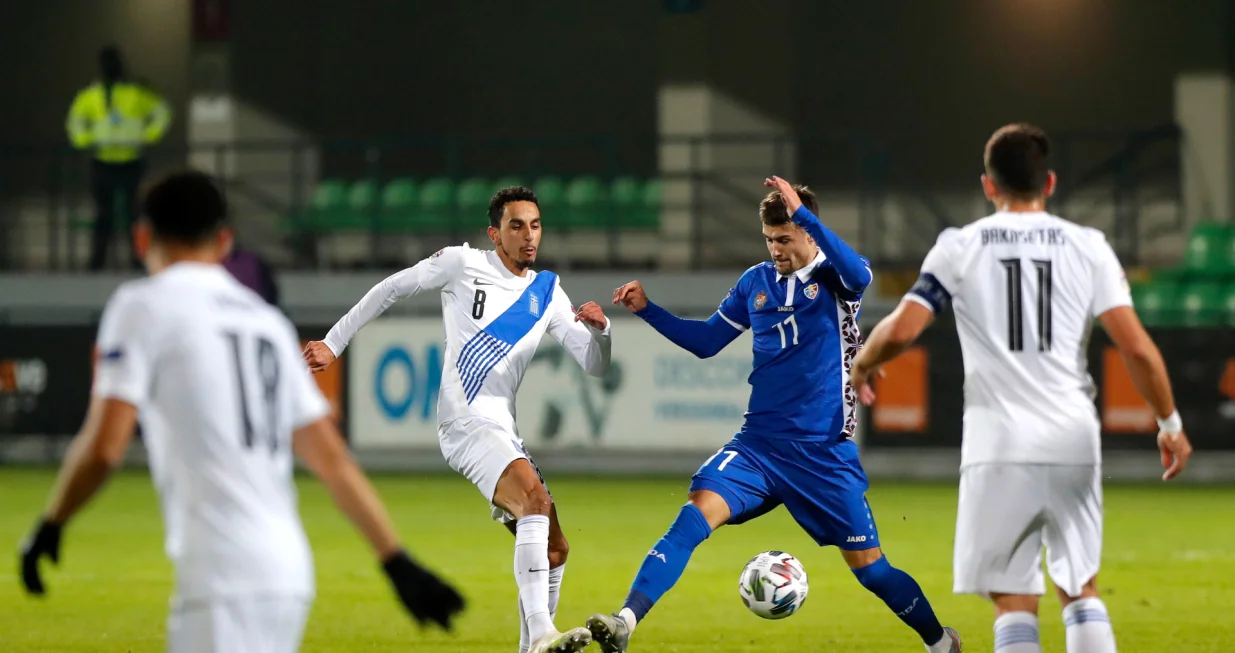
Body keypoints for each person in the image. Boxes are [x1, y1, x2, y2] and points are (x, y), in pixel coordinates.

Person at [18, 171, 464, 652]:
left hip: (221, 578)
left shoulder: (141, 306)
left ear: (142, 237)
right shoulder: (266, 322)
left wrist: (51, 523)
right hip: (288, 574)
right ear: (224, 241)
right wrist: (395, 560)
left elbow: (105, 447)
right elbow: (332, 460)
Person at [850, 123, 1194, 653]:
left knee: (1013, 600)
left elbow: (901, 331)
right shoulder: (1089, 247)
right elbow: (1138, 350)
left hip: (999, 444)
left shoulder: (960, 247)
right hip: (1073, 440)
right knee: (1081, 588)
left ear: (988, 186)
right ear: (1049, 183)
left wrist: (863, 364)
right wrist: (1169, 423)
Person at [584, 177, 961, 653]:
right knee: (692, 517)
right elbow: (706, 342)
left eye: (784, 238)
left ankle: (940, 643)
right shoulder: (755, 283)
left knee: (872, 571)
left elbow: (861, 277)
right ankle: (625, 621)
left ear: (808, 230)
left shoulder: (837, 277)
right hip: (758, 446)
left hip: (822, 454)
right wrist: (647, 309)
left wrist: (803, 214)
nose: (776, 249)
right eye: (769, 239)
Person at [303, 185, 611, 653]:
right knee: (533, 497)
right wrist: (333, 341)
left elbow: (594, 364)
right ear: (495, 234)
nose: (529, 235)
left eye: (535, 225)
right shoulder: (462, 263)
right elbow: (391, 288)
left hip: (502, 429)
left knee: (554, 548)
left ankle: (533, 646)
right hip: (464, 419)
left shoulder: (547, 291)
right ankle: (542, 633)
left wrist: (602, 333)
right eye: (516, 226)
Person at [65, 45, 171, 270]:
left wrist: (148, 135)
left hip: (130, 159)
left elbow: (162, 112)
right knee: (106, 213)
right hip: (104, 159)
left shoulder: (135, 92)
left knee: (133, 213)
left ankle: (135, 258)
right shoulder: (93, 95)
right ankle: (99, 260)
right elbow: (75, 121)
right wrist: (85, 139)